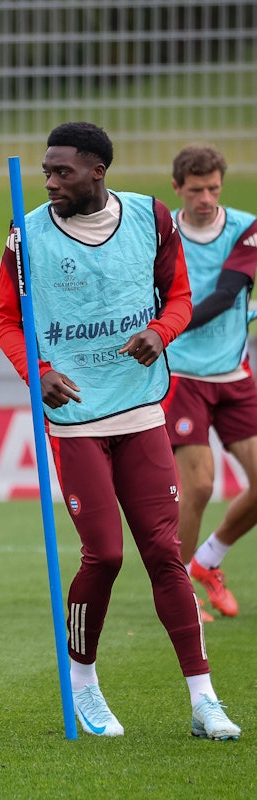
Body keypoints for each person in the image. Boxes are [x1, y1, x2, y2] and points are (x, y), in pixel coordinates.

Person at [0, 121, 240, 740]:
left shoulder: (152, 218)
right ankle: (84, 686)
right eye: (46, 171)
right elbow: (4, 321)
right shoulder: (27, 235)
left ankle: (204, 699)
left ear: (98, 170)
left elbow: (179, 298)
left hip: (141, 411)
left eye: (63, 172)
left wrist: (161, 333)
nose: (50, 181)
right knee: (103, 553)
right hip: (75, 421)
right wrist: (37, 372)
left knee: (165, 556)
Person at [163, 144, 257, 621]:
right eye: (196, 189)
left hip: (234, 374)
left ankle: (209, 561)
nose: (206, 198)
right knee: (199, 486)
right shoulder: (160, 233)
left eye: (214, 188)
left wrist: (162, 327)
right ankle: (178, 592)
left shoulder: (246, 226)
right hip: (181, 376)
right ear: (177, 188)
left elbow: (226, 294)